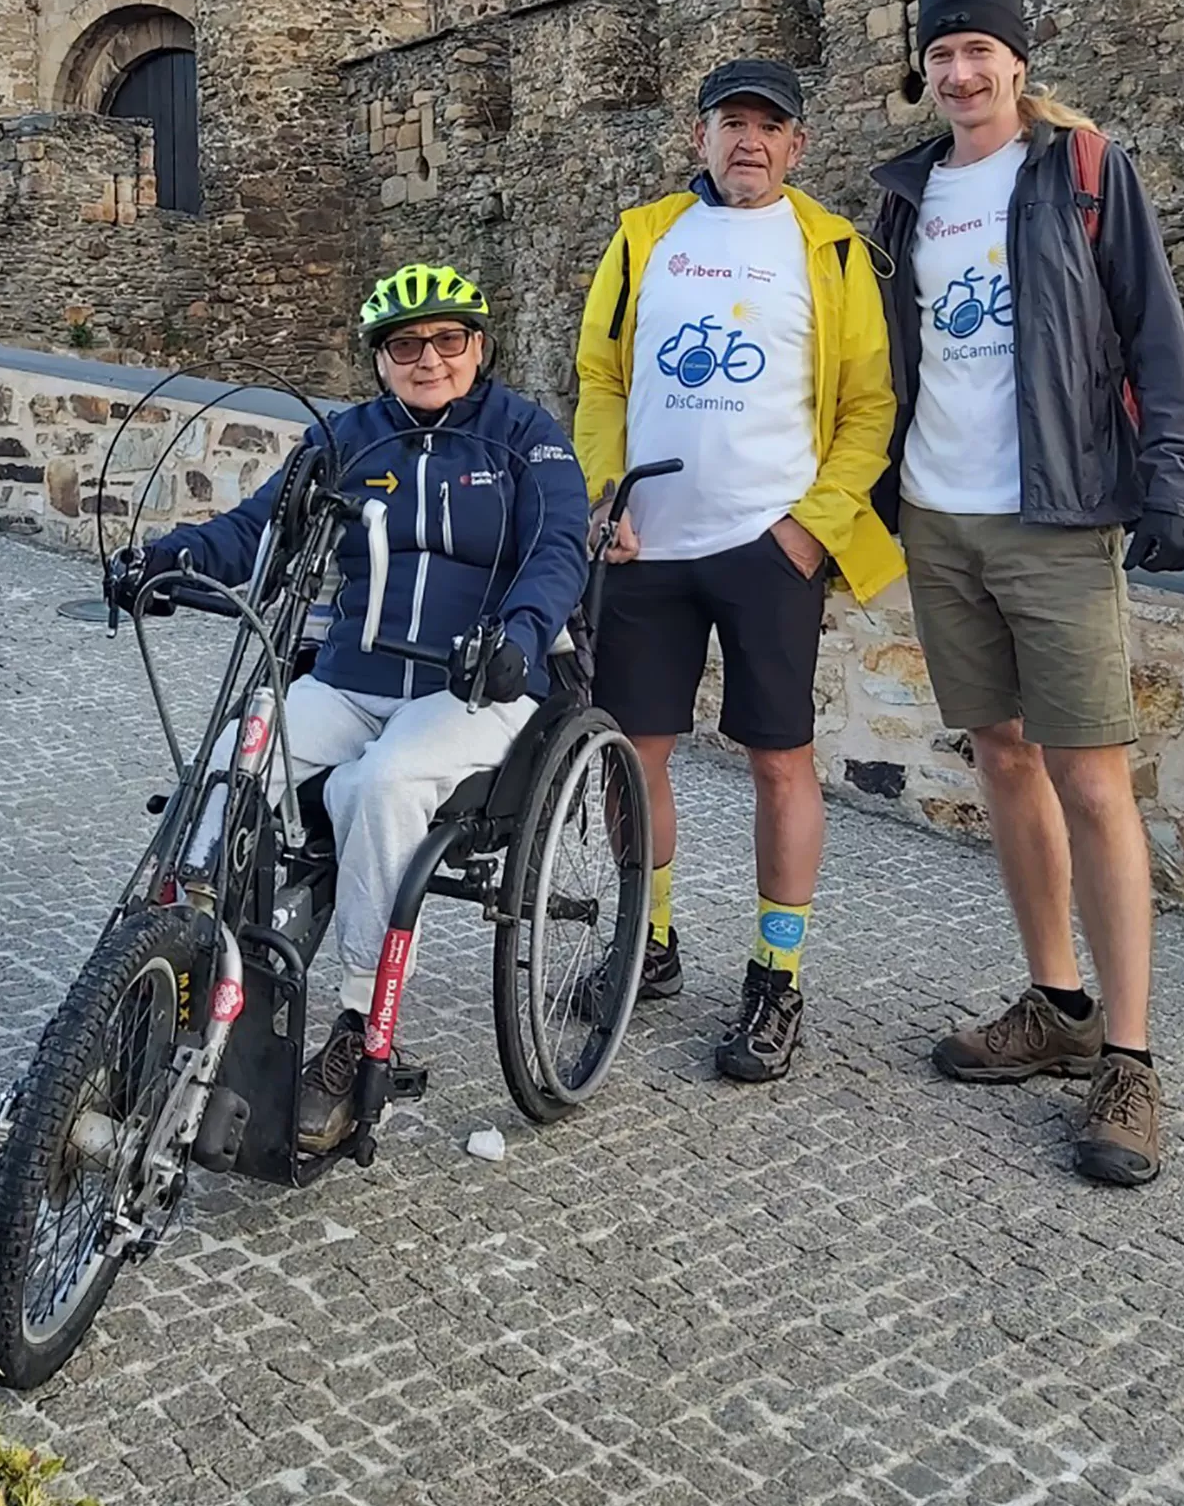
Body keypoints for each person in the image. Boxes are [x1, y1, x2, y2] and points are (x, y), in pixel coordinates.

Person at [870, 0, 1184, 1187]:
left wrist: (1170, 472)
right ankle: (1055, 1004)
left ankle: (1130, 1057)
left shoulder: (1081, 170)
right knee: (1002, 755)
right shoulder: (905, 194)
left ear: (1018, 60)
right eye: (942, 55)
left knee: (1092, 778)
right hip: (938, 517)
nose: (961, 74)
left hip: (1057, 517)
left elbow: (1152, 327)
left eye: (978, 51)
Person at [130, 260, 589, 1154]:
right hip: (350, 675)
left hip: (471, 685)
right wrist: (166, 557)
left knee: (373, 790)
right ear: (379, 360)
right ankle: (175, 955)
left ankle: (354, 1030)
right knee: (237, 757)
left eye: (448, 340)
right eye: (405, 344)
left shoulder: (526, 439)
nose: (429, 358)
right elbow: (257, 527)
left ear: (479, 347)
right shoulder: (345, 441)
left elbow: (558, 548)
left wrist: (520, 637)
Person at [574, 58, 902, 1086]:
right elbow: (599, 378)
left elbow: (868, 411)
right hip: (650, 545)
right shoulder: (644, 238)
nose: (749, 141)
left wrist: (810, 531)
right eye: (731, 123)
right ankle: (652, 939)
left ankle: (777, 974)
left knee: (778, 760)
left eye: (769, 126)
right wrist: (603, 494)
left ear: (797, 144)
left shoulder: (834, 251)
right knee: (638, 756)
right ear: (699, 137)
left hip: (770, 544)